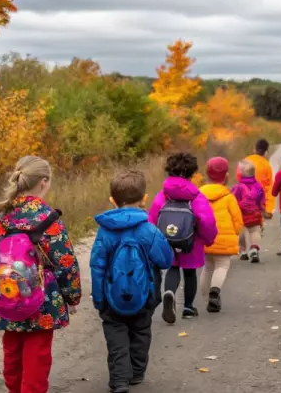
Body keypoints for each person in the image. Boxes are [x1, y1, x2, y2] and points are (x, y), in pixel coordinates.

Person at [0, 156, 81, 393]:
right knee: (37, 357)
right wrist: (72, 296)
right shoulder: (49, 219)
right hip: (43, 299)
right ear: (44, 182)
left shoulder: (4, 216)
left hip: (7, 292)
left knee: (12, 353)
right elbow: (65, 262)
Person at [91, 170, 174, 393]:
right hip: (145, 294)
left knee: (115, 336)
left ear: (112, 200)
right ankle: (137, 372)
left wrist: (99, 300)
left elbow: (97, 267)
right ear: (144, 199)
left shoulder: (105, 231)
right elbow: (165, 260)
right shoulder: (148, 230)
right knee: (141, 332)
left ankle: (119, 380)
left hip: (111, 297)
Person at [148, 152, 218, 323]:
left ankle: (169, 293)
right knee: (189, 273)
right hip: (190, 241)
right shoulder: (196, 196)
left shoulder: (163, 194)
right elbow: (207, 221)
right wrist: (208, 239)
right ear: (192, 173)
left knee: (172, 268)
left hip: (167, 239)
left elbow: (152, 218)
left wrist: (152, 242)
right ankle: (188, 308)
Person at [200, 157, 244, 312]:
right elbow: (238, 220)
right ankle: (215, 292)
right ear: (226, 176)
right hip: (224, 240)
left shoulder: (199, 195)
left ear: (206, 174)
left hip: (204, 238)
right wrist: (235, 233)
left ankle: (206, 297)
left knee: (207, 267)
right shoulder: (228, 197)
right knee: (222, 265)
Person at [232, 160, 266, 263]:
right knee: (255, 231)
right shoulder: (258, 186)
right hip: (255, 213)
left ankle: (242, 251)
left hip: (241, 214)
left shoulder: (238, 187)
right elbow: (261, 200)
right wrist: (262, 210)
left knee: (241, 232)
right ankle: (254, 249)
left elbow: (233, 200)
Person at [244, 139, 276, 219]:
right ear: (266, 152)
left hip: (245, 203)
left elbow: (239, 181)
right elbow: (270, 188)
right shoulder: (266, 165)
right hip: (259, 205)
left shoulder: (245, 161)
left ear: (254, 149)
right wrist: (269, 209)